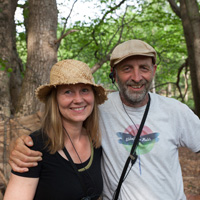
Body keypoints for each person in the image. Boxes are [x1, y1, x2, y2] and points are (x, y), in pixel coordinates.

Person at [8, 40, 200, 200]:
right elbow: (55, 122)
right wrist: (19, 144)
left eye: (144, 68)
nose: (136, 77)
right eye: (127, 69)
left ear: (154, 70)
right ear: (114, 73)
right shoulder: (98, 110)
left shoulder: (176, 111)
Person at [4, 59, 107, 200]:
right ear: (55, 99)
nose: (78, 99)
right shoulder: (33, 148)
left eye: (84, 90)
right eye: (68, 92)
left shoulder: (96, 140)